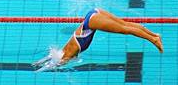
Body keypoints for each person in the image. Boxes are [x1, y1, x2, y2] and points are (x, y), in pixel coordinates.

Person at [34, 8, 163, 71]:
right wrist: (38, 63)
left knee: (126, 29)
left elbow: (53, 64)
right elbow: (50, 57)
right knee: (125, 25)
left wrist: (40, 70)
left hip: (91, 22)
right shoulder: (63, 51)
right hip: (93, 14)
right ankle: (154, 35)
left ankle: (153, 40)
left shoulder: (65, 57)